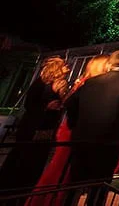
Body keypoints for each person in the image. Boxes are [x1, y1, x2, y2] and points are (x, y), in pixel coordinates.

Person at [26, 55, 109, 206]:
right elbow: (70, 105)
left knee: (59, 166)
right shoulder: (88, 84)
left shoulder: (83, 83)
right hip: (72, 129)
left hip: (68, 128)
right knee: (60, 167)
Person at [64, 50, 119, 206]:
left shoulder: (92, 81)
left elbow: (70, 103)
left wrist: (75, 124)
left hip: (83, 136)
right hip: (109, 138)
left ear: (110, 63)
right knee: (101, 180)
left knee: (76, 179)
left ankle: (69, 202)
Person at [0, 57, 70, 204]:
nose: (68, 67)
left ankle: (20, 190)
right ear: (56, 69)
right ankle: (15, 190)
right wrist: (46, 107)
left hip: (43, 128)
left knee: (33, 158)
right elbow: (29, 104)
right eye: (64, 65)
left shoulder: (57, 84)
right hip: (34, 127)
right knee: (25, 157)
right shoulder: (41, 84)